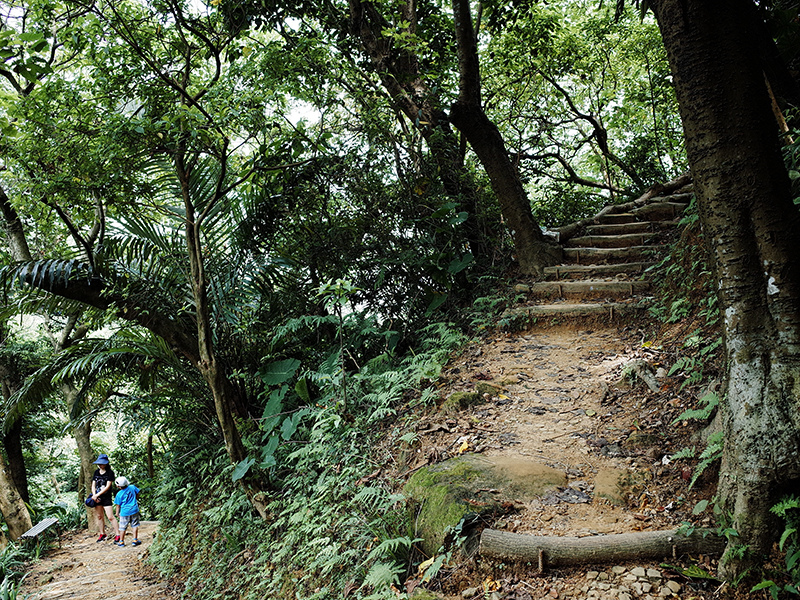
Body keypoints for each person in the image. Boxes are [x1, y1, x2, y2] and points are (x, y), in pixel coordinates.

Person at [90, 454, 120, 542]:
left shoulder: (110, 473)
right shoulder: (96, 472)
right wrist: (94, 495)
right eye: (99, 463)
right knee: (99, 516)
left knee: (110, 516)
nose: (100, 465)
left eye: (102, 463)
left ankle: (118, 534)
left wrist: (97, 494)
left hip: (106, 497)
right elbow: (93, 485)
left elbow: (108, 486)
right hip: (96, 498)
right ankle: (102, 533)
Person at [113, 476, 141, 547]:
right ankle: (135, 540)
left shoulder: (119, 494)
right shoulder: (132, 487)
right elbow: (138, 493)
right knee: (134, 525)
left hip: (124, 512)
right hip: (134, 509)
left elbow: (118, 505)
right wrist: (136, 499)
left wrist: (117, 513)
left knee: (122, 527)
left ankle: (121, 541)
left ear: (118, 486)